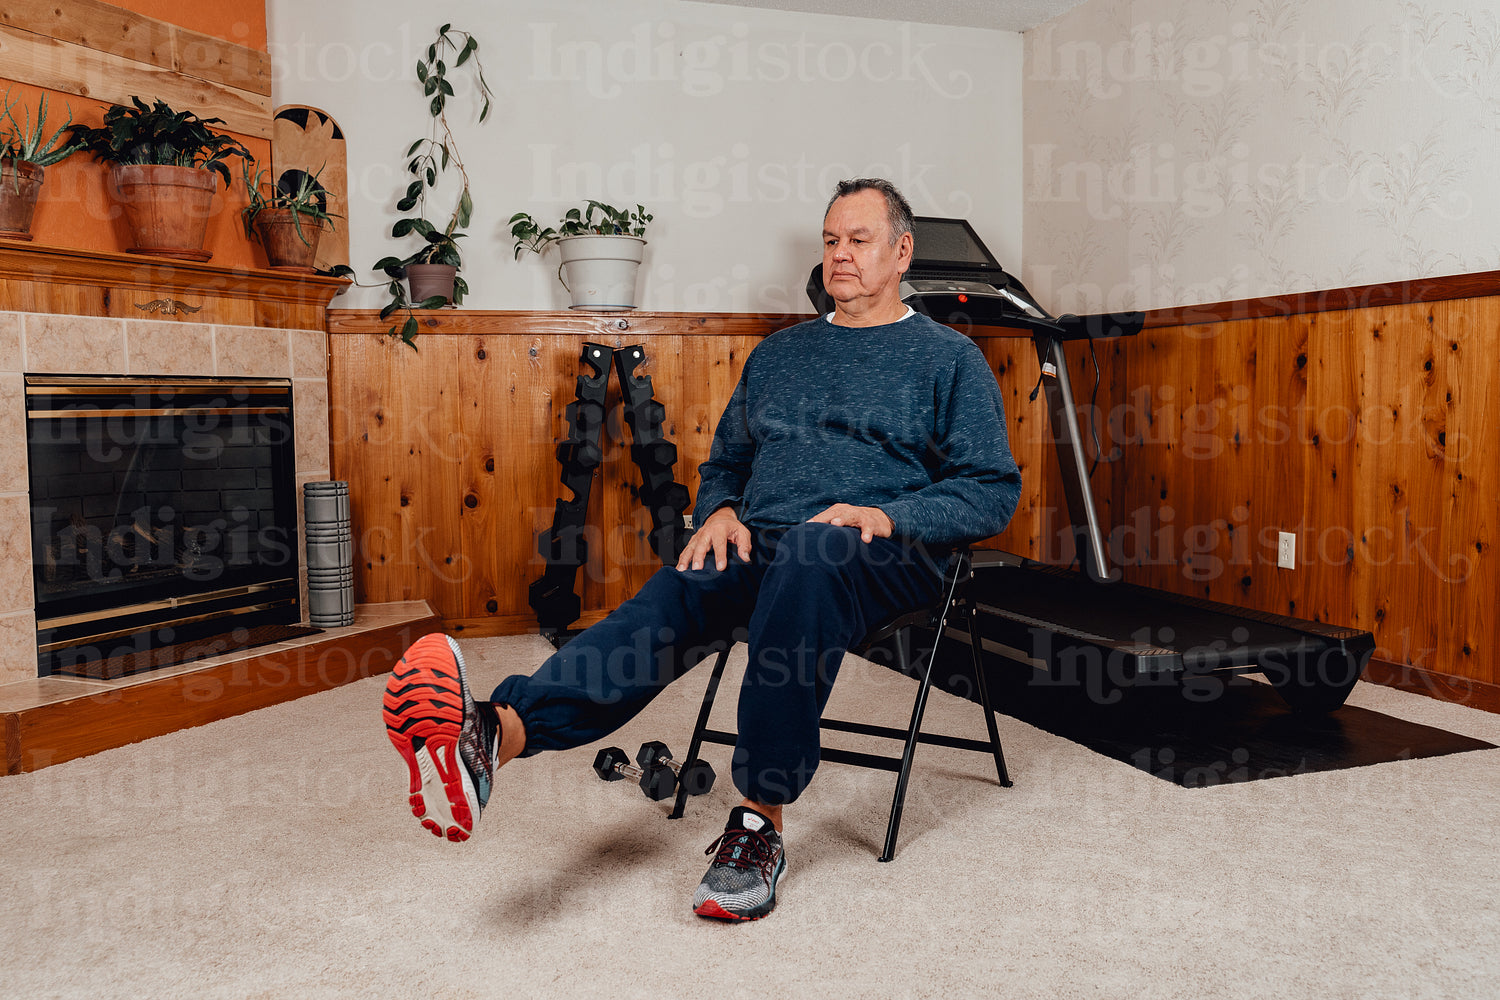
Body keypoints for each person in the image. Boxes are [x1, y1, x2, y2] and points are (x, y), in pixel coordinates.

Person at [382, 178, 1022, 922]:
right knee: (685, 581)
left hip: (880, 551)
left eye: (859, 240)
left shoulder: (948, 359)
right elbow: (726, 465)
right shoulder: (780, 356)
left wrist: (887, 514)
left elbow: (989, 491)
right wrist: (716, 510)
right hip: (768, 545)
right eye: (830, 240)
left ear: (902, 250)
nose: (840, 255)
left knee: (812, 556)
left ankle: (758, 823)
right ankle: (496, 735)